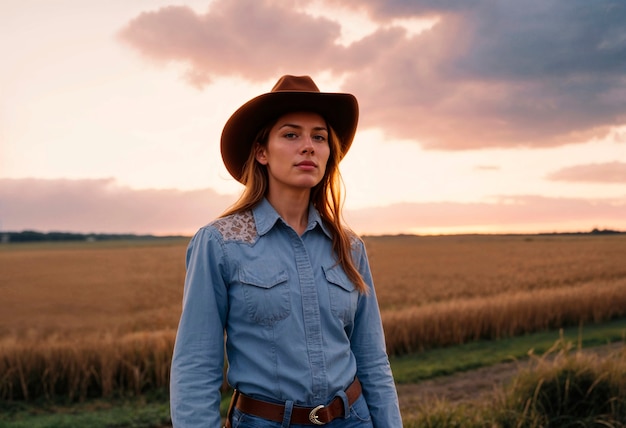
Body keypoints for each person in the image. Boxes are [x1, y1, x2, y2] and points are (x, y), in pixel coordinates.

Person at [170, 75, 403, 427]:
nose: (308, 146)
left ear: (329, 153)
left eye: (319, 137)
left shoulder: (349, 246)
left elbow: (372, 358)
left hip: (353, 418)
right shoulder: (220, 243)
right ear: (261, 151)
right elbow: (195, 364)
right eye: (291, 134)